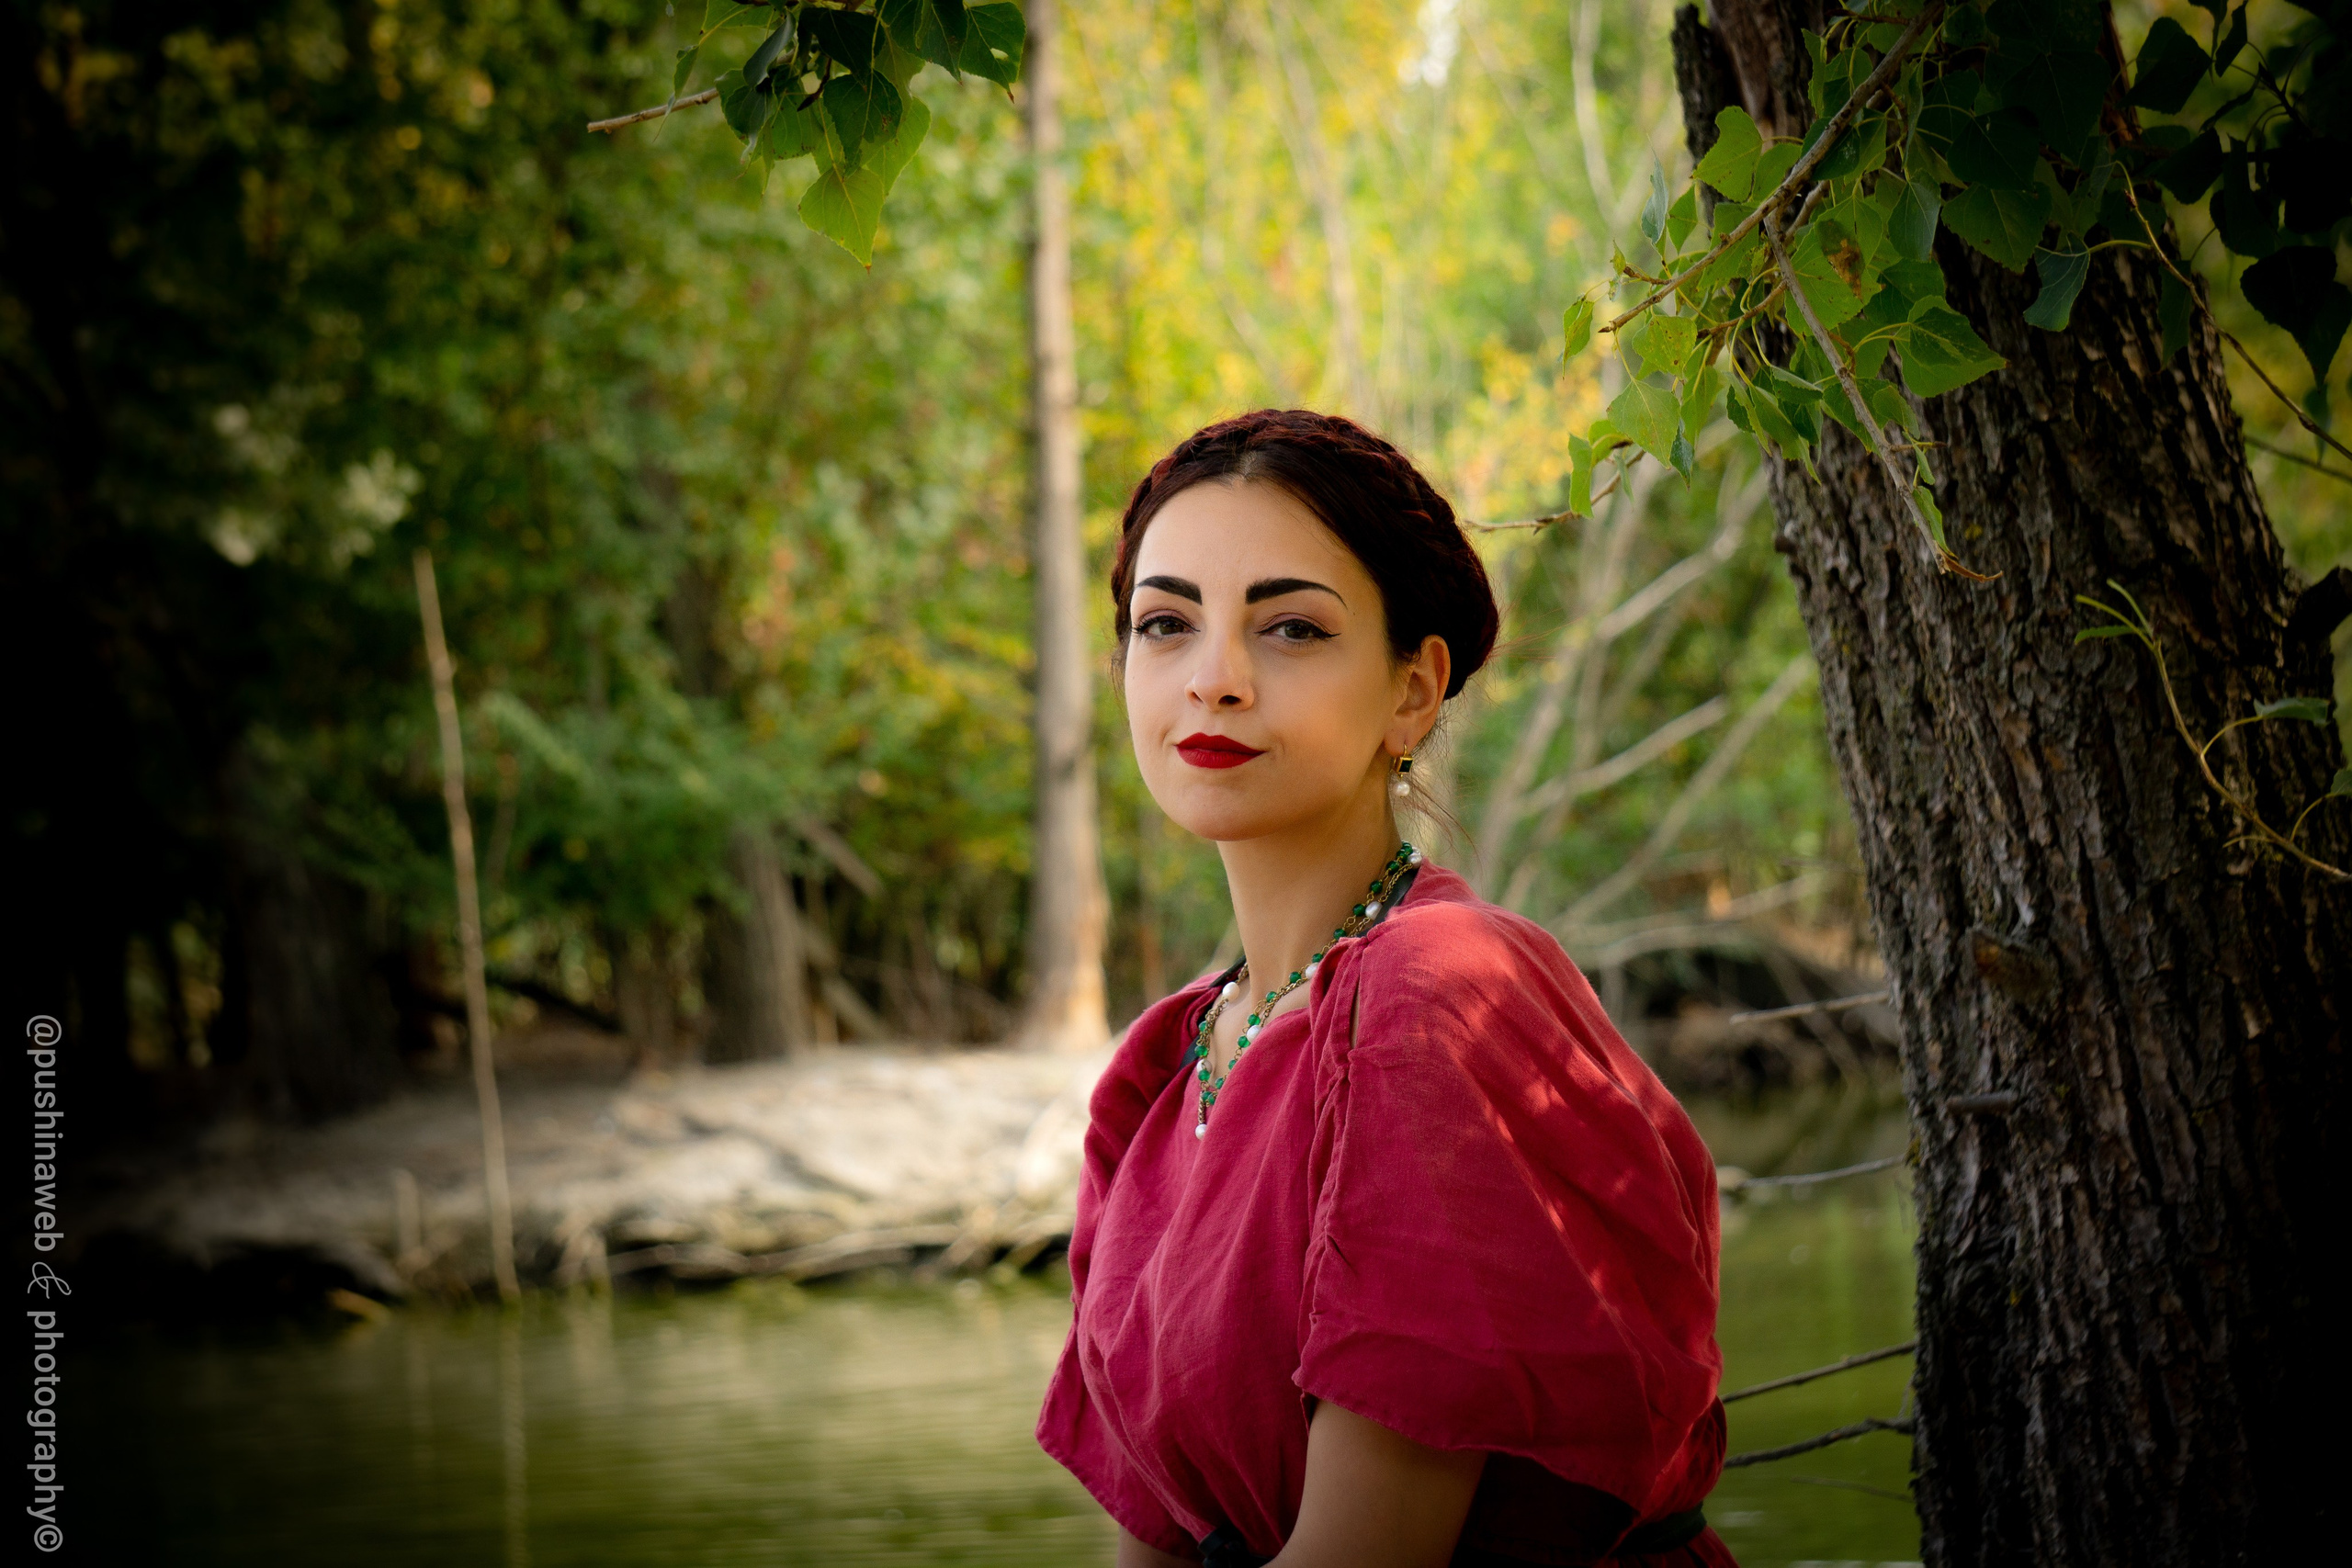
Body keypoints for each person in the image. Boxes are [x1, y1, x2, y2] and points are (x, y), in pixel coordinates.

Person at [1035, 410, 1735, 1568]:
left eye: (1292, 629)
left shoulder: (1434, 995)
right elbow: (1150, 1539)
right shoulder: (1163, 1068)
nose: (1214, 679)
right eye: (1165, 624)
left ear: (1412, 693)